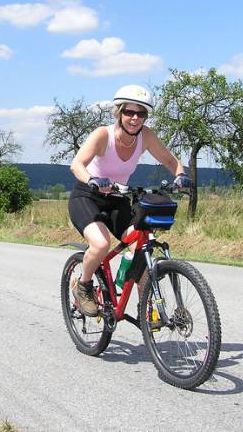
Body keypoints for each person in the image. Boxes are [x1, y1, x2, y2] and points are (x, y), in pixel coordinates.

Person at [68, 85, 191, 316]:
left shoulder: (146, 136)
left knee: (141, 247)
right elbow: (76, 165)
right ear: (119, 113)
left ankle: (147, 307)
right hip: (88, 196)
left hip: (118, 199)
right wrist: (93, 179)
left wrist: (180, 175)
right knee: (101, 244)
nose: (135, 118)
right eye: (129, 112)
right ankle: (83, 287)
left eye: (141, 113)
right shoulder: (103, 135)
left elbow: (170, 160)